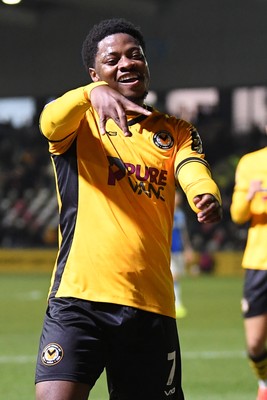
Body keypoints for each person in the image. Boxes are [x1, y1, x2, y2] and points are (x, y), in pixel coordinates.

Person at [35, 18, 222, 400]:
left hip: (149, 304)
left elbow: (192, 167)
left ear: (147, 64)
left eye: (134, 55)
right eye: (112, 58)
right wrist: (91, 94)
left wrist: (204, 193)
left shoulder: (175, 130)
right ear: (95, 72)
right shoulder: (80, 122)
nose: (126, 63)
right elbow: (49, 123)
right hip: (79, 298)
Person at [230, 139, 267, 400]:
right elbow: (237, 215)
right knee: (255, 342)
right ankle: (264, 382)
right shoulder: (251, 162)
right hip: (259, 262)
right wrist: (250, 195)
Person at [171, 189, 194, 318]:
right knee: (173, 276)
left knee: (177, 277)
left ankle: (176, 303)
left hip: (178, 249)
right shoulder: (165, 211)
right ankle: (176, 304)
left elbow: (184, 233)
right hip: (168, 251)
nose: (177, 199)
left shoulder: (180, 215)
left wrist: (188, 248)